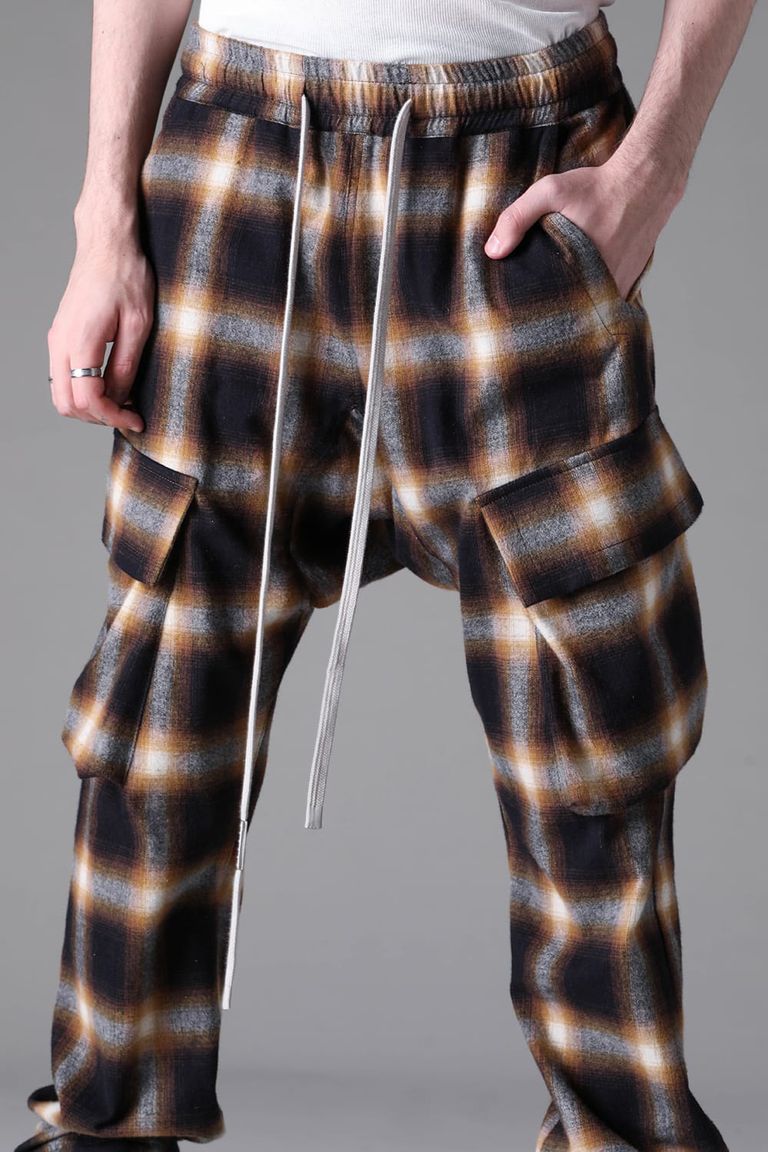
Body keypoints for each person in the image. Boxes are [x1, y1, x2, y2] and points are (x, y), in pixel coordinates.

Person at [19, 0, 755, 1149]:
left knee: (590, 720)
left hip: (514, 169)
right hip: (242, 152)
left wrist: (652, 169)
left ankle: (622, 1135)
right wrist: (102, 217)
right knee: (160, 712)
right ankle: (106, 1124)